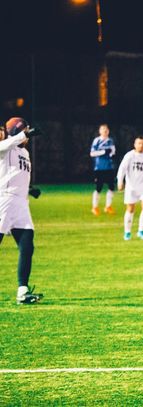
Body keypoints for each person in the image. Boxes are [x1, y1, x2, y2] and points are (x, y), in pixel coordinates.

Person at [0, 117, 43, 304]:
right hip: (4, 199)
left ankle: (23, 291)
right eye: (25, 130)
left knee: (27, 245)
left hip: (20, 203)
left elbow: (17, 174)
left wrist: (29, 189)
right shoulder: (6, 147)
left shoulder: (24, 152)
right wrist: (23, 134)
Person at [117, 137, 143, 241]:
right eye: (139, 143)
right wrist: (120, 182)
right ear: (135, 144)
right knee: (130, 209)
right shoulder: (129, 156)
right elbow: (122, 169)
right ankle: (127, 232)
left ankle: (141, 231)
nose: (141, 145)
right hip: (131, 187)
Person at [90, 124, 116, 216]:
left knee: (111, 187)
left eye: (106, 129)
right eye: (103, 129)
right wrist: (104, 152)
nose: (105, 131)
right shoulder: (97, 140)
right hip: (99, 168)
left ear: (108, 131)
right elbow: (92, 153)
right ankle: (95, 207)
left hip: (109, 167)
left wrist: (112, 153)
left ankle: (108, 206)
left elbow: (113, 151)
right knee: (99, 188)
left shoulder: (110, 141)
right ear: (100, 131)